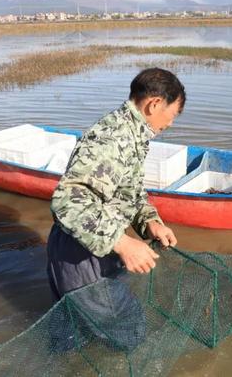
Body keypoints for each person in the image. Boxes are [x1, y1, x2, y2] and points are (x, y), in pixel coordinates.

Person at [47, 67, 185, 302]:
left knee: (107, 323)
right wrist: (122, 243)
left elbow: (129, 189)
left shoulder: (133, 134)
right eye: (172, 114)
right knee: (110, 328)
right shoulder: (112, 138)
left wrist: (149, 221)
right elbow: (67, 201)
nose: (171, 123)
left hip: (101, 240)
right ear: (154, 104)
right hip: (80, 249)